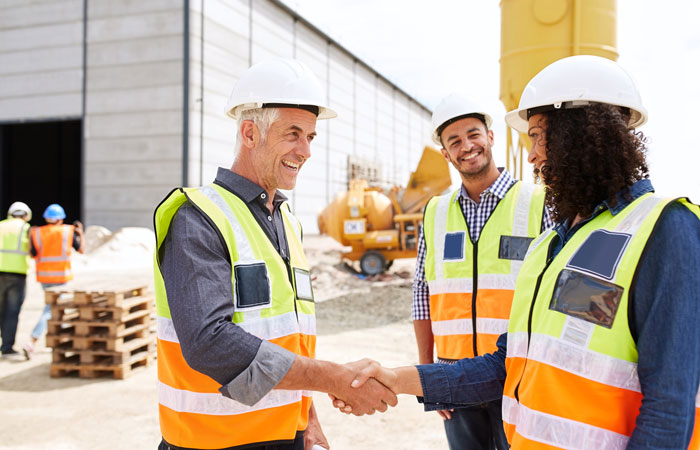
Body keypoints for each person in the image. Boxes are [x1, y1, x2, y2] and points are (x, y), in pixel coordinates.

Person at [337, 55, 700, 450]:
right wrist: (400, 378)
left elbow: (668, 410)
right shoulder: (555, 244)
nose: (532, 155)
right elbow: (505, 363)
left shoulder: (665, 229)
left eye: (540, 136)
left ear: (582, 132)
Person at [153, 58, 397, 450]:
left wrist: (307, 418)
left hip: (285, 437)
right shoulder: (197, 218)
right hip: (213, 443)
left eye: (311, 137)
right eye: (293, 134)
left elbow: (288, 339)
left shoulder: (286, 222)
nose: (306, 151)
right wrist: (333, 378)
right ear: (250, 133)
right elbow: (209, 342)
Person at [412, 94, 551, 449]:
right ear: (445, 153)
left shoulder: (538, 202)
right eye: (454, 141)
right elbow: (421, 297)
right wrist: (429, 373)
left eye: (473, 134)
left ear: (491, 136)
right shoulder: (435, 213)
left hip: (518, 374)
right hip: (456, 377)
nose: (466, 146)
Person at [24, 203, 84, 359]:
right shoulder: (67, 231)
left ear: (46, 218)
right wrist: (81, 233)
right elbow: (81, 250)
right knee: (51, 309)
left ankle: (62, 341)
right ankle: (32, 340)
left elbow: (32, 254)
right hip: (60, 278)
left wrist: (30, 236)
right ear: (60, 219)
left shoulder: (37, 232)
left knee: (56, 309)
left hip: (44, 278)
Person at [0, 202, 32, 360]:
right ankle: (6, 347)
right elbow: (33, 251)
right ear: (26, 215)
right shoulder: (26, 229)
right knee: (12, 312)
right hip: (17, 274)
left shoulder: (0, 226)